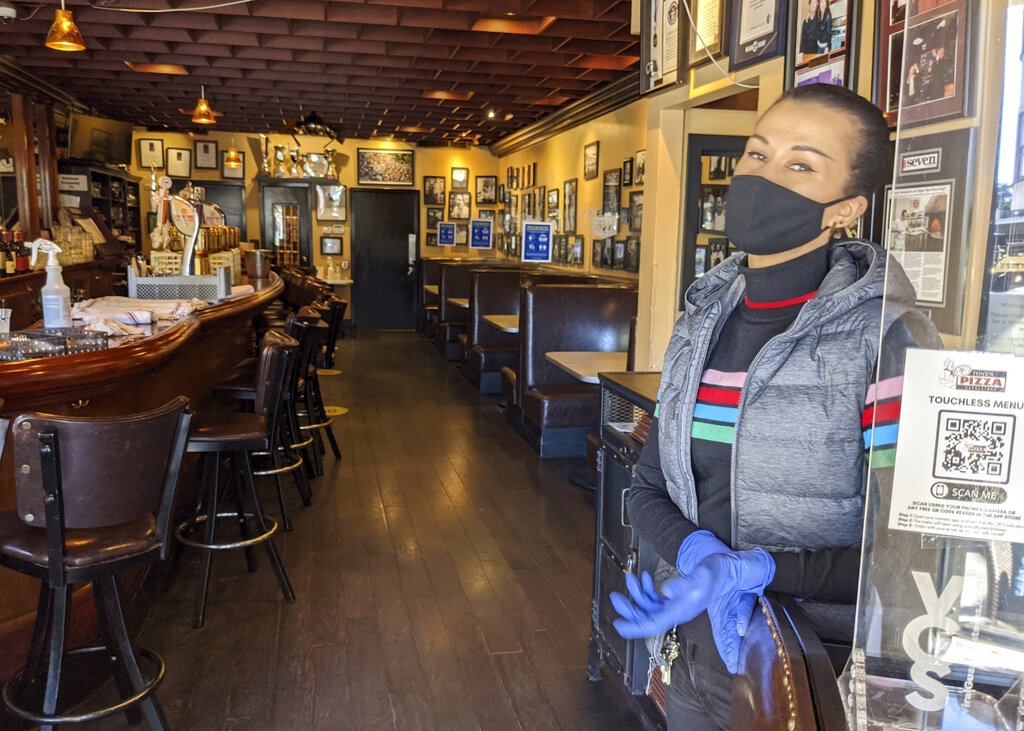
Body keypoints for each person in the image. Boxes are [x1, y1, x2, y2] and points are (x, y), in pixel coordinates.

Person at [610, 83, 939, 730]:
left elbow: (911, 558)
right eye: (757, 154)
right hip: (693, 659)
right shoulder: (701, 320)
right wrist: (699, 555)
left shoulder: (888, 341)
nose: (763, 176)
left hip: (812, 675)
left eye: (801, 164)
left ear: (845, 208)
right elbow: (648, 485)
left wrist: (759, 569)